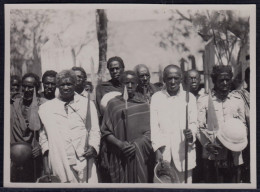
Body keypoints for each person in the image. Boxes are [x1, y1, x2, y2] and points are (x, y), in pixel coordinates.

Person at [38, 70, 100, 183]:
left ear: (75, 84)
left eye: (69, 84)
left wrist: (93, 147)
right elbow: (44, 139)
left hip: (84, 160)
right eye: (62, 84)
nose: (66, 87)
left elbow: (95, 130)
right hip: (59, 159)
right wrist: (46, 167)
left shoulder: (87, 104)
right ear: (57, 86)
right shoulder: (46, 108)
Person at [100, 71, 154, 183]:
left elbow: (150, 132)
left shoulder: (144, 105)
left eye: (132, 83)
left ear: (137, 84)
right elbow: (105, 131)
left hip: (138, 155)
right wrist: (120, 144)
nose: (129, 86)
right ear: (121, 84)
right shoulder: (112, 104)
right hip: (119, 154)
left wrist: (136, 145)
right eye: (126, 83)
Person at [197, 65, 247, 183]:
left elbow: (244, 125)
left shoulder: (237, 100)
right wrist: (207, 145)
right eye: (221, 80)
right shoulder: (204, 101)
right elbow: (199, 127)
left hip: (234, 154)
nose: (225, 83)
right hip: (212, 154)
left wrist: (237, 140)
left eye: (227, 79)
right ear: (214, 81)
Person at [150, 65, 198, 183]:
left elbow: (194, 123)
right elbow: (154, 126)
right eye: (169, 78)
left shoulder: (189, 98)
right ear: (164, 80)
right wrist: (157, 149)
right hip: (164, 153)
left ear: (181, 79)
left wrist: (191, 134)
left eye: (176, 78)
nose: (172, 82)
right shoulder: (156, 98)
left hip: (184, 153)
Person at [10, 73, 43, 182]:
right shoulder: (13, 104)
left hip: (35, 157)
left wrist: (40, 146)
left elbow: (49, 133)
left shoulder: (43, 106)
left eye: (31, 87)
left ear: (37, 88)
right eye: (24, 86)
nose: (27, 89)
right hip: (15, 157)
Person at [184, 69, 204, 183]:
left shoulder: (205, 96)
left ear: (200, 79)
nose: (193, 80)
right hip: (188, 139)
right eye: (190, 78)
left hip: (202, 140)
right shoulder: (181, 97)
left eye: (195, 78)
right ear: (185, 80)